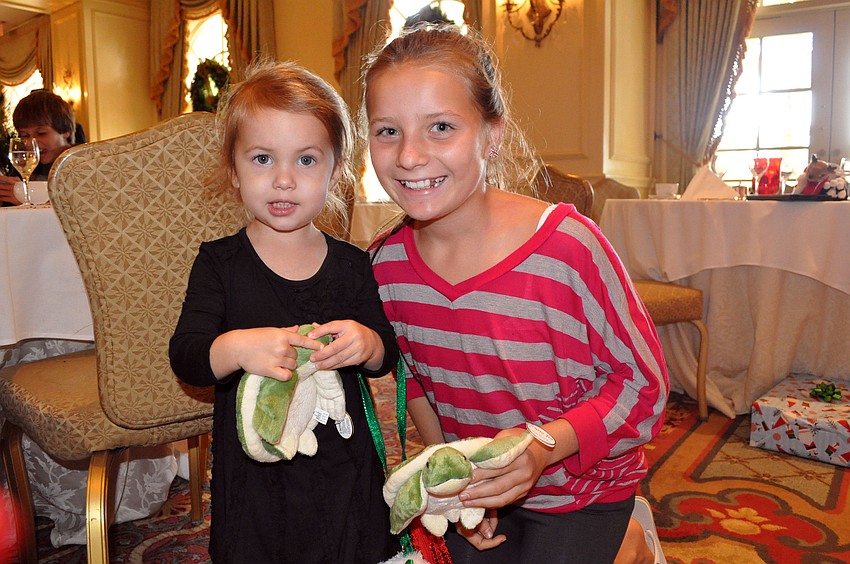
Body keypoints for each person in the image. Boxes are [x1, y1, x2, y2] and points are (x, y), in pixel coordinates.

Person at [364, 24, 668, 563]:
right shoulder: (386, 264)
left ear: (492, 134)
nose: (409, 156)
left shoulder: (568, 247)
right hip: (481, 492)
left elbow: (644, 388)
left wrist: (543, 447)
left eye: (440, 127)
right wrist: (450, 477)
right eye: (387, 131)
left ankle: (630, 541)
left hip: (583, 489)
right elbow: (417, 385)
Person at [169, 60, 399, 563]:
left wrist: (368, 341)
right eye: (262, 159)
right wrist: (234, 348)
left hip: (343, 466)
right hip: (257, 477)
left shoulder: (352, 264)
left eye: (307, 160)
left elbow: (386, 355)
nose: (284, 180)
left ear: (336, 170)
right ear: (232, 168)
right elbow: (186, 354)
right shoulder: (220, 264)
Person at [0, 90, 78, 205]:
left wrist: (29, 200)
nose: (32, 143)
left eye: (41, 133)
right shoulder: (26, 169)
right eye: (24, 135)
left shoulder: (84, 165)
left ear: (66, 131)